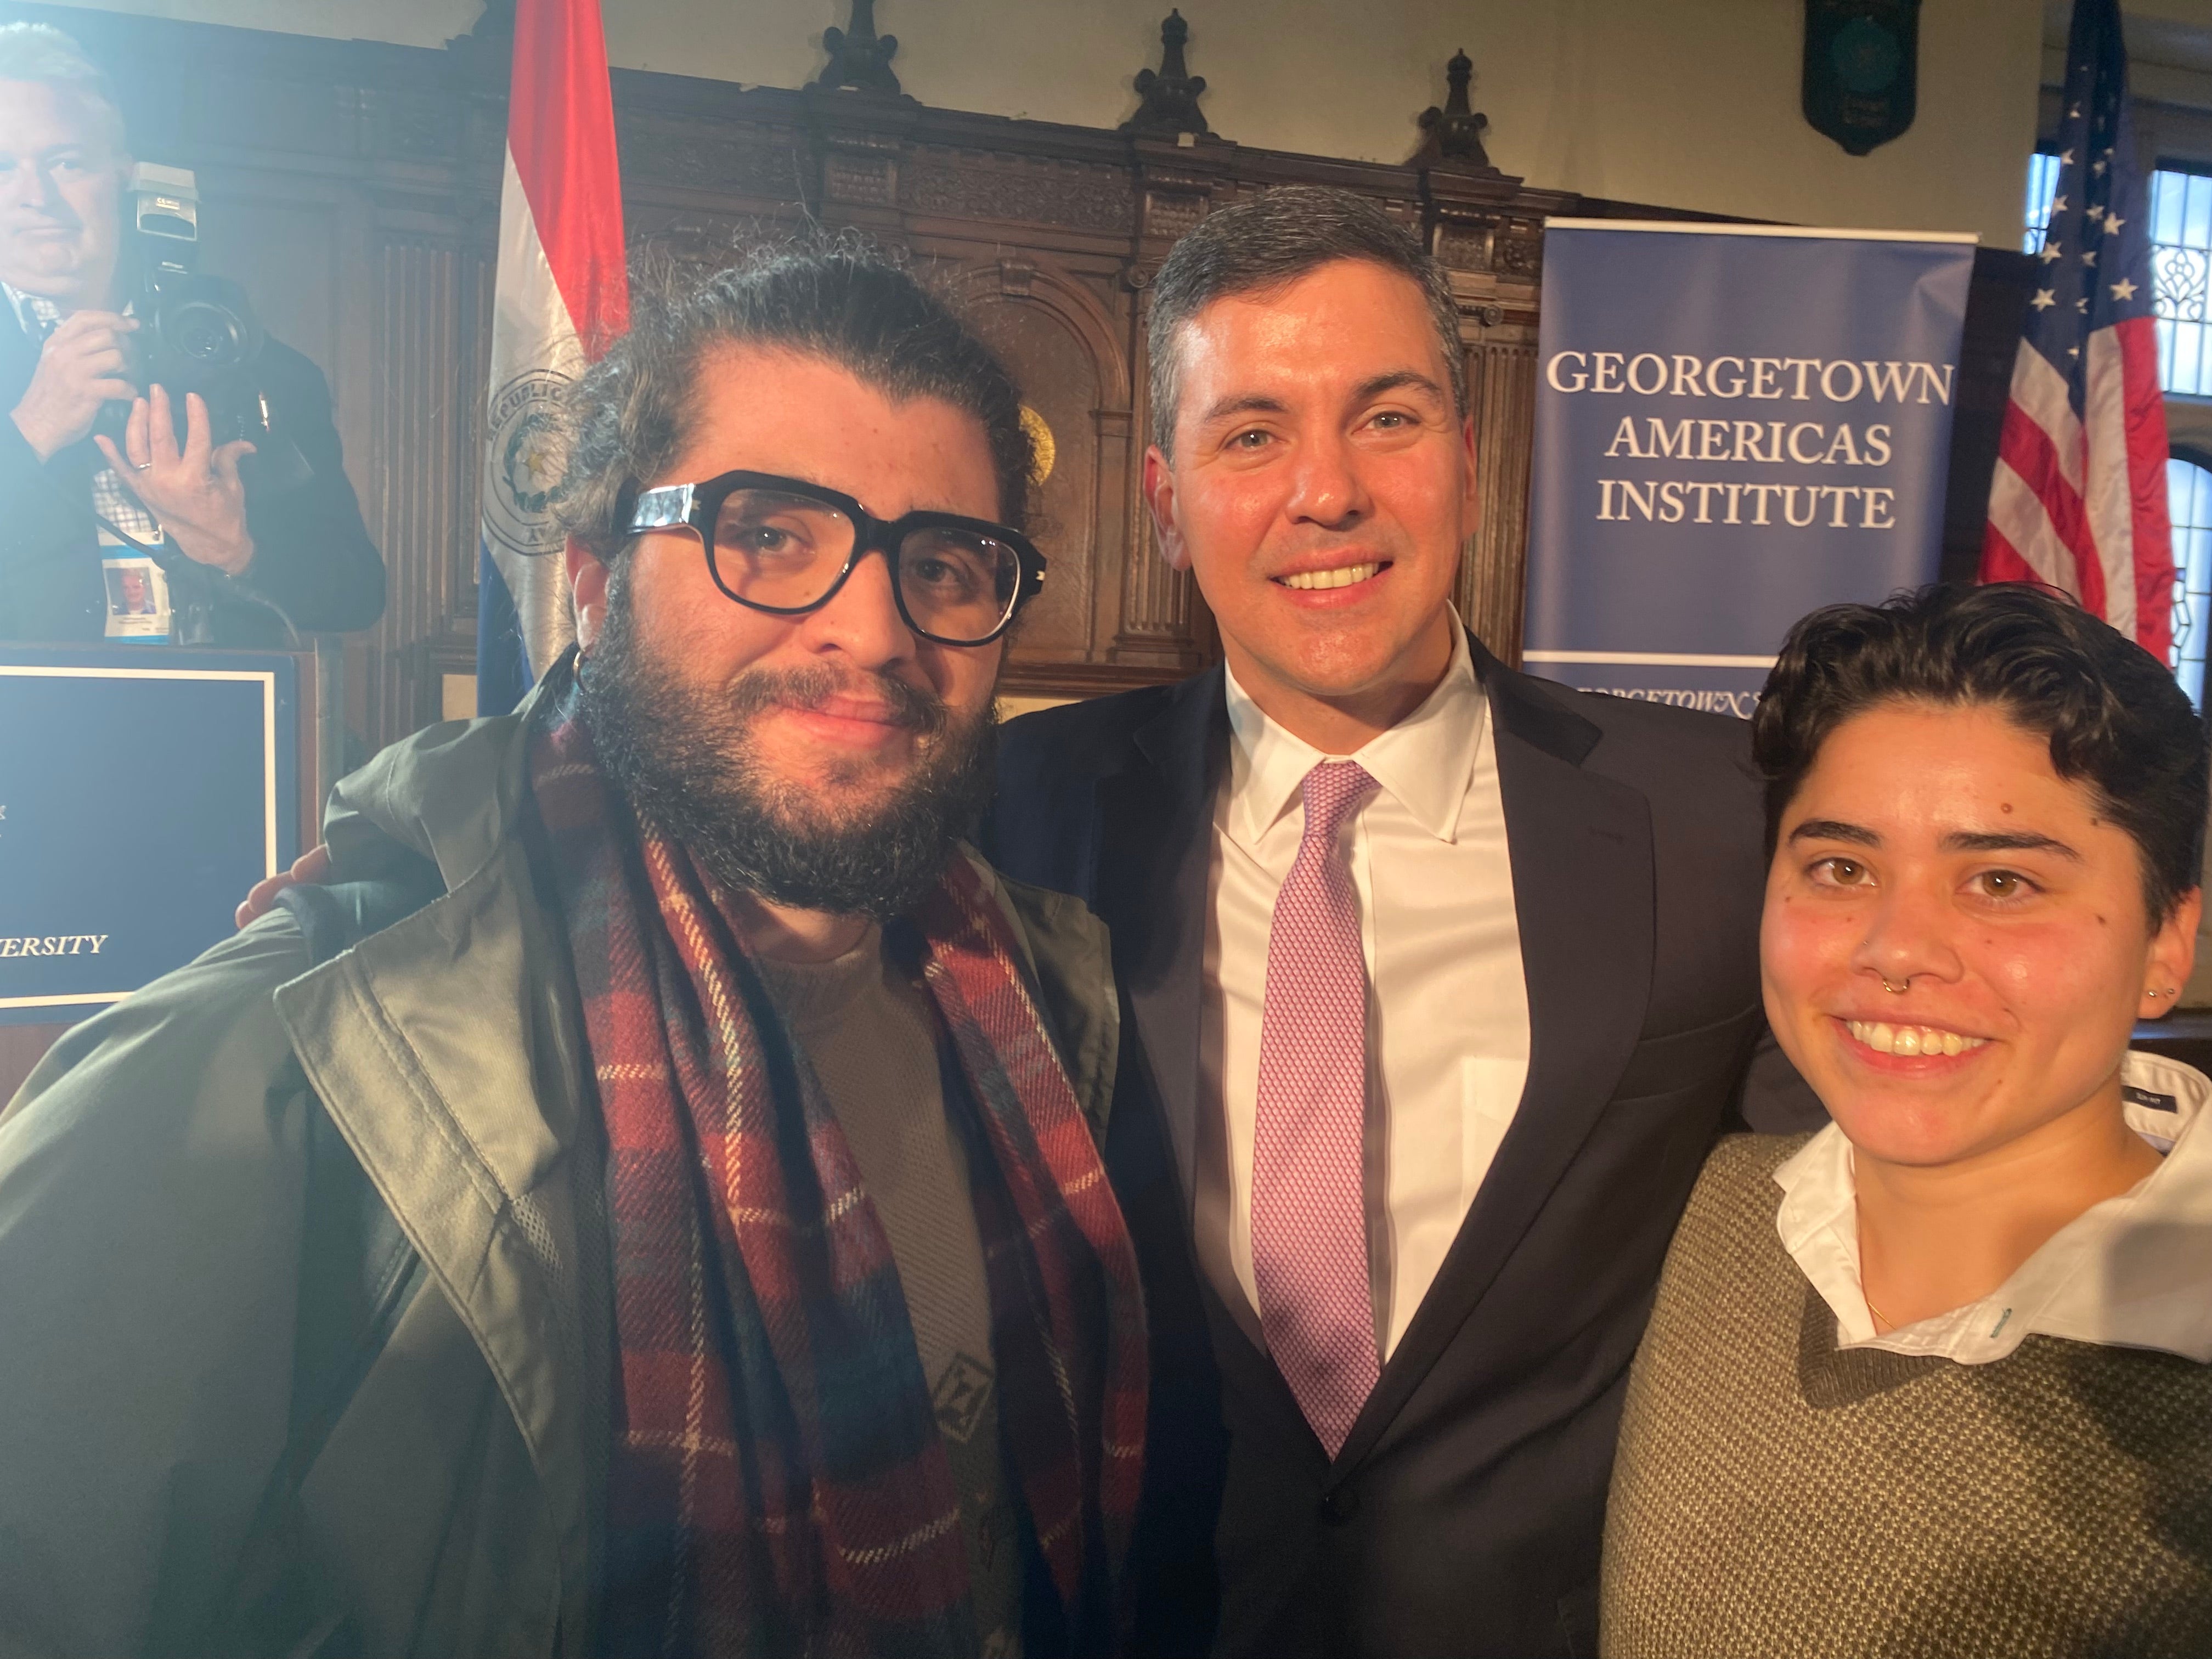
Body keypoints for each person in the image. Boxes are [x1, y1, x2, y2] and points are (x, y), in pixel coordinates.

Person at [0, 246, 1144, 1658]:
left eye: (946, 563)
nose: (872, 626)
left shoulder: (1041, 999)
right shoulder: (263, 1079)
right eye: (769, 534)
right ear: (598, 582)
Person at [979, 185, 1822, 1657]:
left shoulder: (1717, 816)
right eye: (1252, 435)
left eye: (1387, 418)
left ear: (1469, 458)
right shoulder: (1011, 816)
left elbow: (1841, 1237)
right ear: (1168, 507)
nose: (1329, 493)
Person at [1602, 583, 2212, 1658]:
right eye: (1842, 868)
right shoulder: (1719, 1211)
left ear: (2168, 942)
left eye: (2003, 882)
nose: (1895, 948)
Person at [0, 23, 383, 646]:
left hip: (225, 729)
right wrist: (30, 433)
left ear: (122, 173)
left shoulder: (259, 368)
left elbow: (358, 592)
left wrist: (238, 548)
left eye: (66, 162)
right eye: (4, 166)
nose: (35, 196)